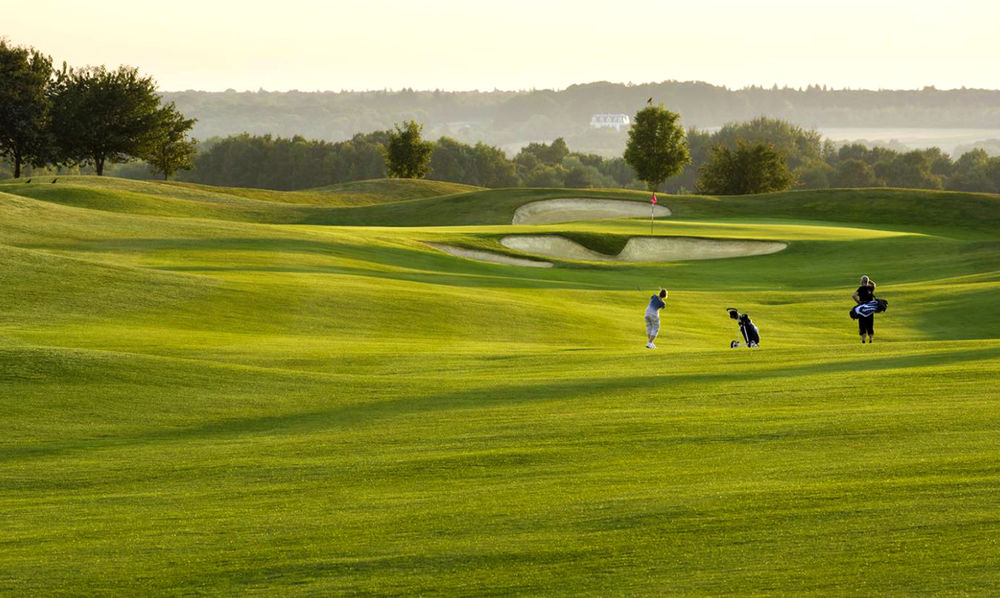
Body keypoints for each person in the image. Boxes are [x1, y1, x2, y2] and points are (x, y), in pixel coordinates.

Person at [852, 275, 877, 343]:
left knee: (862, 323)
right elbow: (874, 284)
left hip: (862, 307)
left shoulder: (860, 289)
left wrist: (858, 302)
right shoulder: (870, 288)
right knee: (870, 323)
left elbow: (853, 295)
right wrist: (868, 280)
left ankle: (863, 339)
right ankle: (870, 338)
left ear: (861, 282)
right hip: (870, 307)